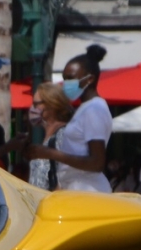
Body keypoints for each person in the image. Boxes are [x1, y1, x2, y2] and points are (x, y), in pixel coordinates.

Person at [32, 46, 114, 194]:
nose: (66, 84)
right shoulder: (85, 108)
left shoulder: (94, 110)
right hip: (76, 191)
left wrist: (50, 153)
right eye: (64, 79)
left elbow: (97, 162)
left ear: (90, 79)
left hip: (88, 193)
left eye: (71, 78)